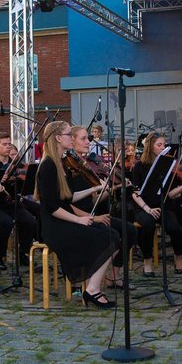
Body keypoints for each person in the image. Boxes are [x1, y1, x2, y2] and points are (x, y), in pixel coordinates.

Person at [34, 121, 120, 308]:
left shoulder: (58, 164)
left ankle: (92, 288)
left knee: (113, 235)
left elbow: (68, 197)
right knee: (109, 238)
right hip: (55, 226)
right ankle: (93, 290)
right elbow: (51, 207)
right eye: (67, 135)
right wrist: (79, 219)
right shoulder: (48, 165)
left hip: (64, 221)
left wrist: (95, 188)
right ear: (58, 138)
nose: (71, 139)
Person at [65, 125, 137, 289]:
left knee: (130, 230)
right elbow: (66, 203)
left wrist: (112, 188)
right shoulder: (67, 167)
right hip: (77, 218)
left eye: (88, 138)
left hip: (91, 213)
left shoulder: (84, 165)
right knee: (110, 236)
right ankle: (87, 280)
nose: (88, 142)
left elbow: (95, 198)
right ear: (72, 140)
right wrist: (91, 217)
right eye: (83, 138)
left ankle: (113, 277)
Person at [131, 132, 182, 276]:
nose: (163, 147)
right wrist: (147, 209)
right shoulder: (139, 166)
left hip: (162, 205)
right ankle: (147, 260)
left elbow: (171, 193)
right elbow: (134, 193)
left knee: (174, 227)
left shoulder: (167, 165)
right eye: (159, 145)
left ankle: (178, 257)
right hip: (144, 206)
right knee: (147, 225)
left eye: (164, 145)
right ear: (150, 147)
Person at [0, 132, 37, 268]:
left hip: (12, 203)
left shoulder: (16, 165)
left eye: (9, 144)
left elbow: (23, 186)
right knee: (6, 222)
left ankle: (22, 253)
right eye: (4, 144)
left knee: (30, 221)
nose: (8, 147)